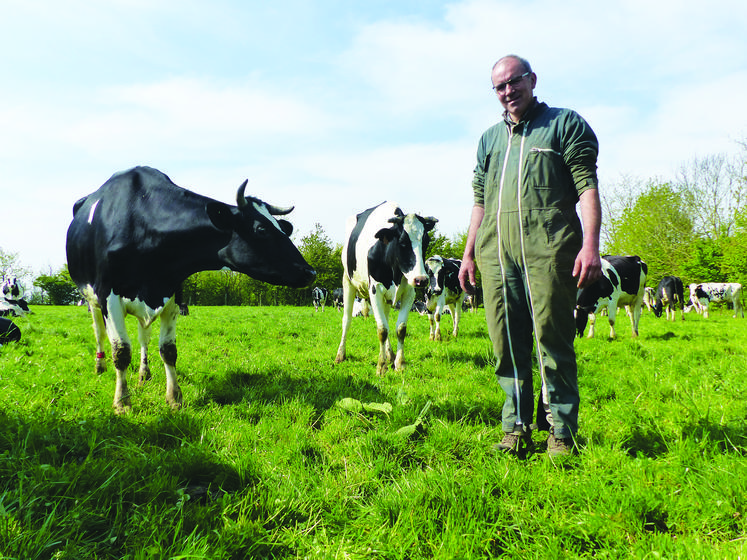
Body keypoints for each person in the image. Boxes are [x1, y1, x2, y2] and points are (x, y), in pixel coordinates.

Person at [458, 54, 602, 457]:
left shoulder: (564, 124)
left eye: (513, 82)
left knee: (551, 340)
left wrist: (590, 244)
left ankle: (560, 429)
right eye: (499, 87)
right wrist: (468, 254)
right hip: (495, 256)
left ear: (532, 79)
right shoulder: (489, 139)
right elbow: (479, 202)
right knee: (505, 343)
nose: (508, 92)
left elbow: (587, 187)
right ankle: (516, 427)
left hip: (550, 252)